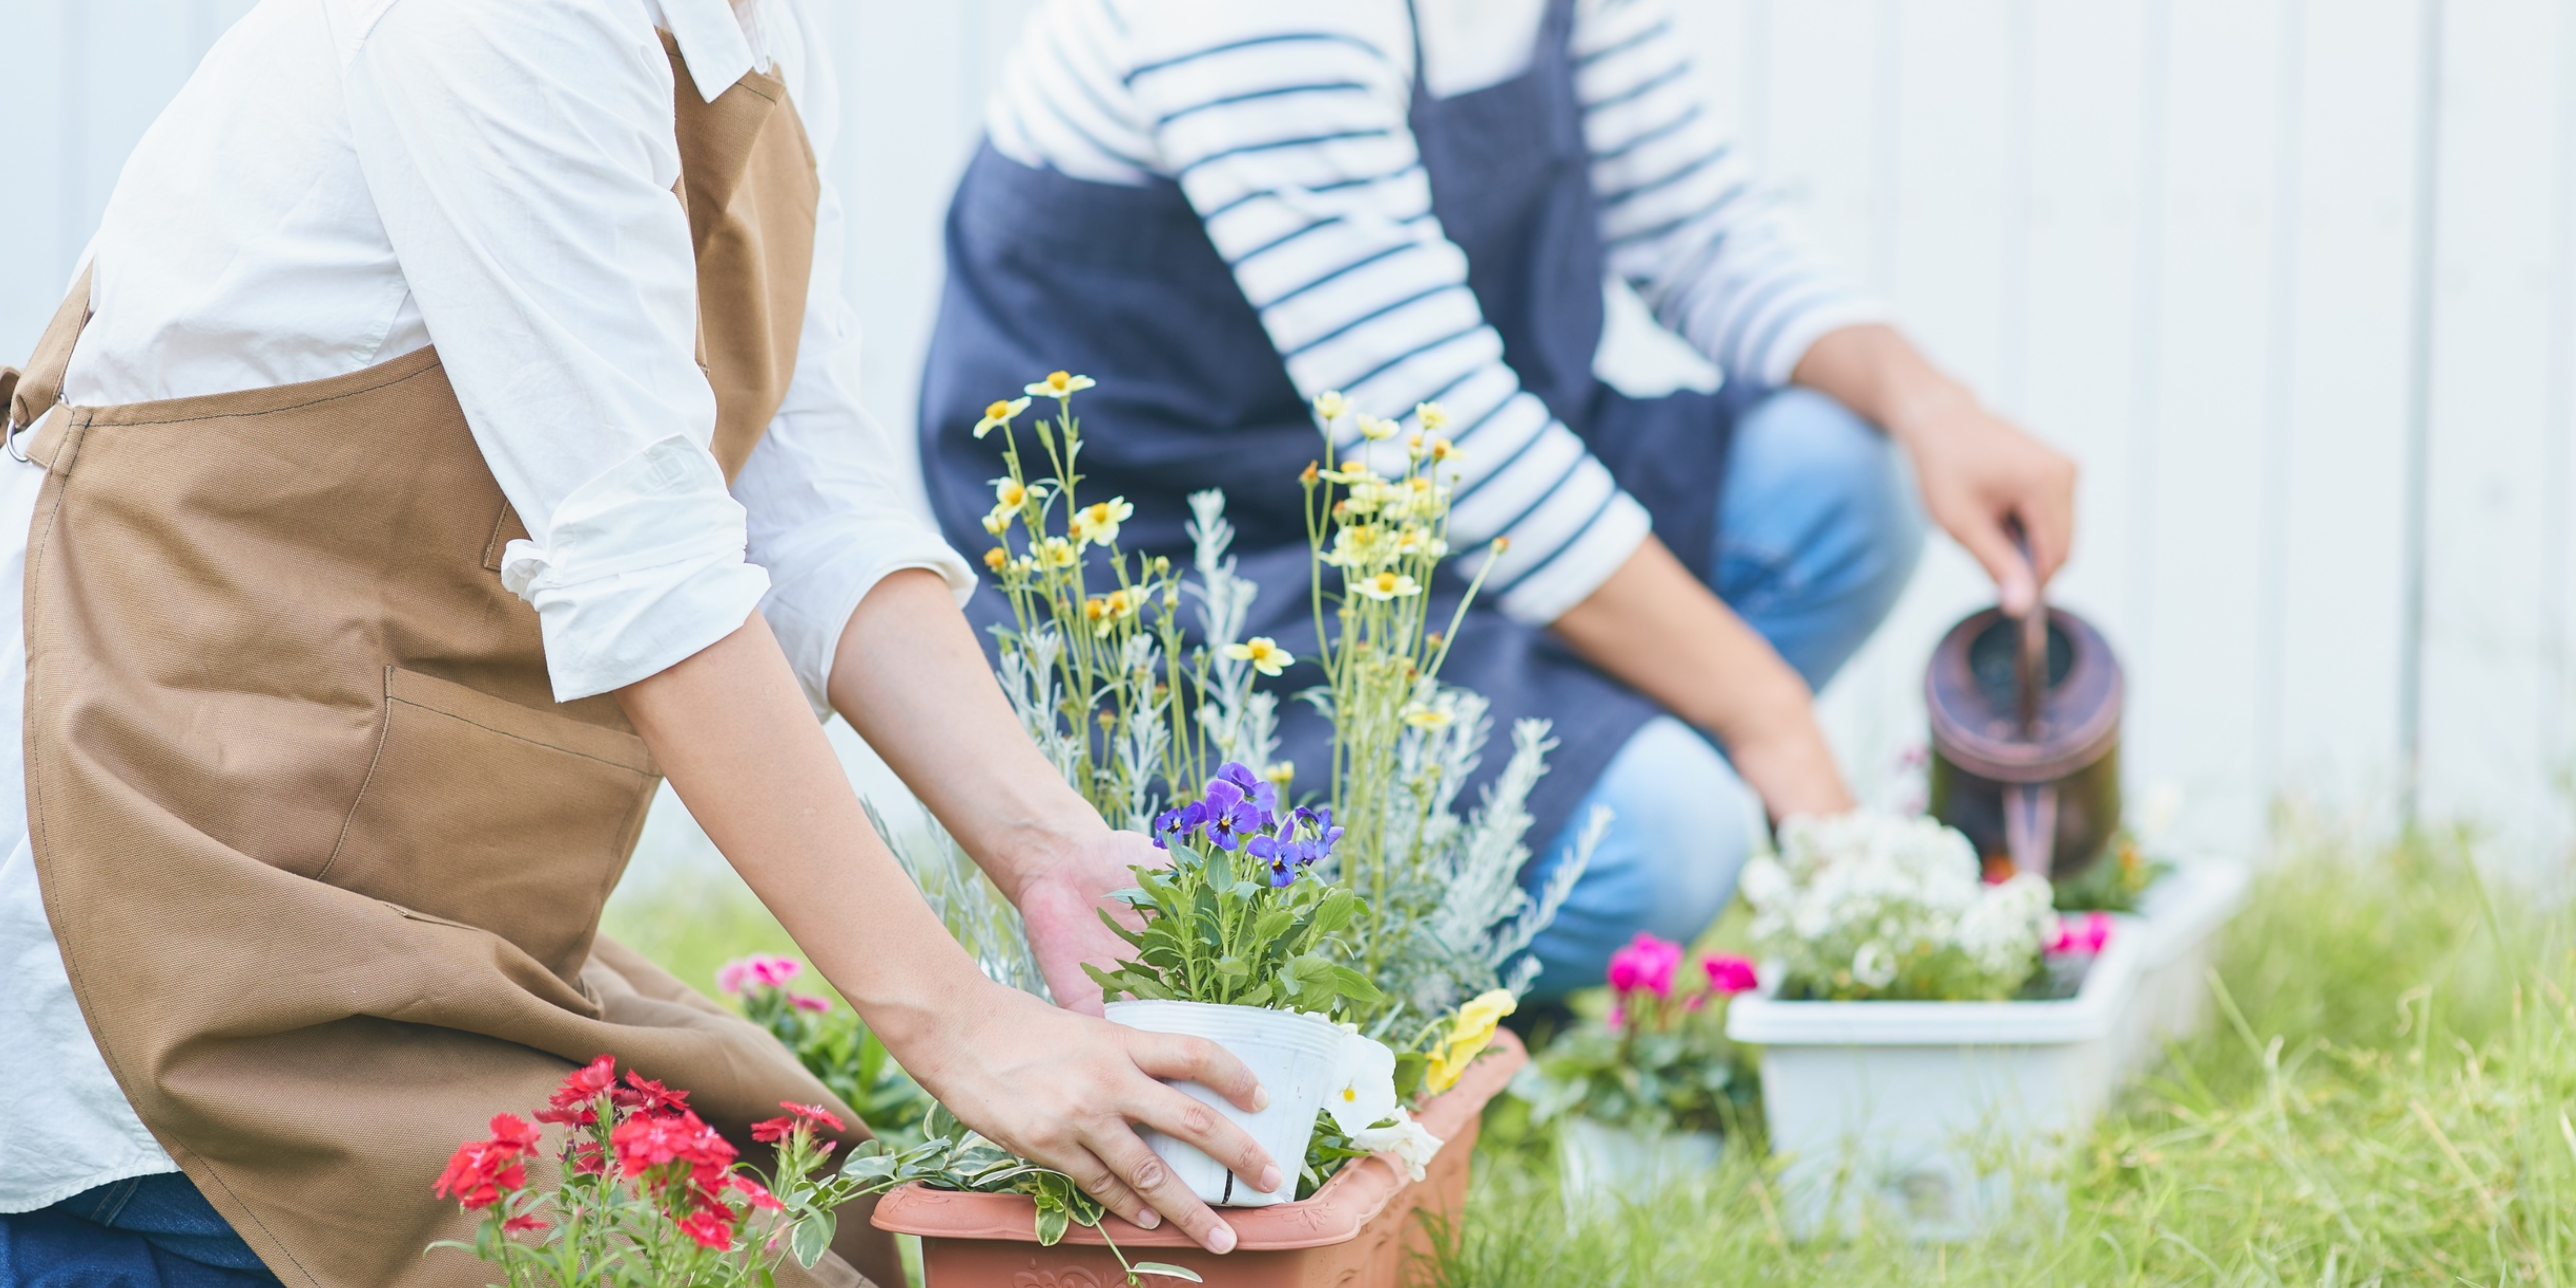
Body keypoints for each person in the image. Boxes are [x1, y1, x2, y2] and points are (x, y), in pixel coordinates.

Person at [0, 2, 1281, 1285]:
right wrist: (955, 1023)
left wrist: (1049, 850)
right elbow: (651, 569)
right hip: (169, 907)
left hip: (404, 896)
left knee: (855, 1229)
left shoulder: (748, 31)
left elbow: (803, 498)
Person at [918, 0, 2078, 1001]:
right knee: (1668, 838)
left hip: (1421, 508)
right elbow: (1431, 413)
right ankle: (1372, 1014)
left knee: (1837, 478)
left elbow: (1700, 229)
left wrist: (1933, 408)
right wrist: (1766, 719)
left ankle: (1551, 847)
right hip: (1189, 572)